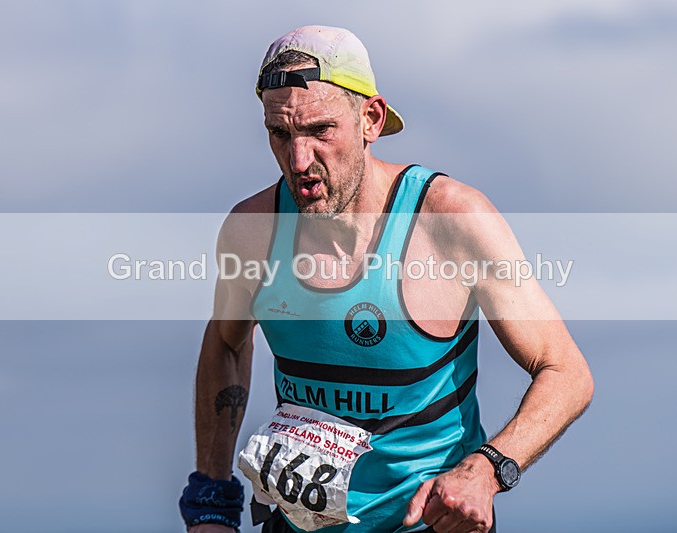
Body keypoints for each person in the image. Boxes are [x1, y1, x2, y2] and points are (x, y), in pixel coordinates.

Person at [179, 25, 593, 533]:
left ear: (370, 119)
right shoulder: (252, 231)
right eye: (280, 134)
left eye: (320, 130)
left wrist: (485, 469)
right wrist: (212, 501)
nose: (299, 160)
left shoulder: (450, 221)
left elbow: (566, 371)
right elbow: (225, 345)